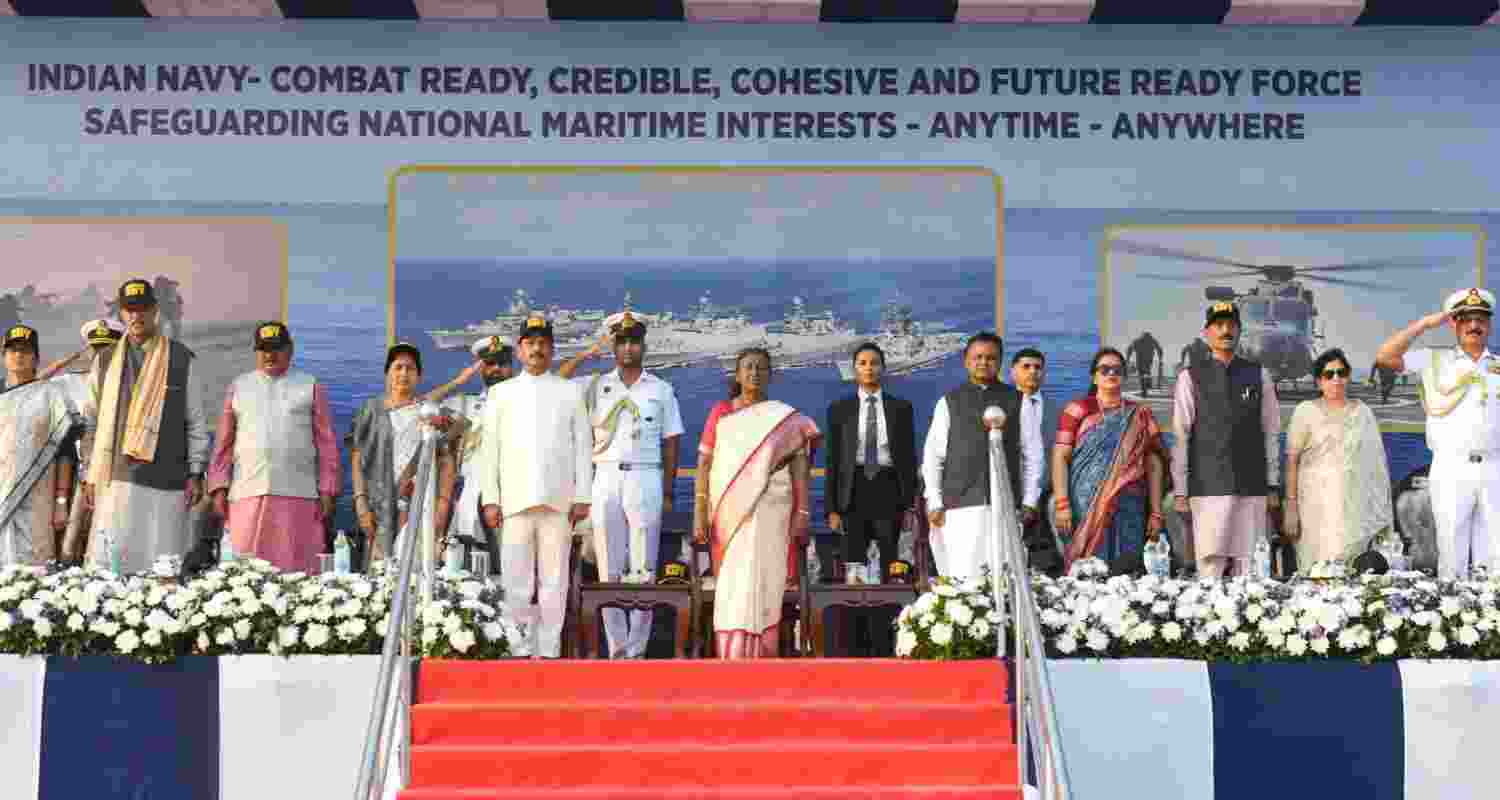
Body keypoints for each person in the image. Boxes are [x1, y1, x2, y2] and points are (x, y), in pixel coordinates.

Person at [560, 311, 685, 658]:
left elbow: (672, 441)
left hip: (646, 475)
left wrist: (669, 489)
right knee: (609, 568)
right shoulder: (595, 385)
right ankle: (617, 649)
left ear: (643, 345)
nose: (628, 348)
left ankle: (637, 650)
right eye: (621, 342)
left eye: (634, 341)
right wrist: (591, 351)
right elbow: (558, 379)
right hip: (605, 475)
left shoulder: (660, 389)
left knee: (644, 568)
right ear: (613, 346)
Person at [478, 316, 592, 658]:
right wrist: (491, 498)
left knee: (554, 581)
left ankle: (550, 648)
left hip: (558, 501)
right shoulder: (500, 393)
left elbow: (583, 446)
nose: (537, 349)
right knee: (516, 580)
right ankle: (519, 647)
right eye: (530, 343)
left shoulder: (570, 391)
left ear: (552, 350)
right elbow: (490, 450)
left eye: (543, 343)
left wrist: (583, 496)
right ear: (519, 350)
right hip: (514, 500)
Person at [694, 347, 820, 659]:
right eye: (748, 367)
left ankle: (764, 652)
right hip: (729, 515)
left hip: (773, 512)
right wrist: (699, 511)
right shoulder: (722, 413)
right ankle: (732, 653)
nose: (754, 373)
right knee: (734, 585)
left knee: (766, 580)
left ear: (770, 375)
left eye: (761, 368)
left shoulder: (785, 417)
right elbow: (704, 465)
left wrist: (803, 511)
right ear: (738, 375)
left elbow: (800, 467)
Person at [82, 278, 212, 573]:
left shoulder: (181, 359)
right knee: (113, 564)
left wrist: (196, 473)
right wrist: (89, 473)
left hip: (167, 477)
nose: (136, 316)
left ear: (155, 311)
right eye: (130, 309)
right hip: (115, 476)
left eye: (142, 308)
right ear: (121, 313)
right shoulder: (104, 361)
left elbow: (195, 421)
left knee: (162, 567)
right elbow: (90, 421)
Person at [1375, 287, 1500, 578]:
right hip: (1452, 466)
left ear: (1489, 325)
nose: (1474, 325)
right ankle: (1456, 604)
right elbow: (1385, 357)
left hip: (1494, 466)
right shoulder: (1433, 360)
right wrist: (1425, 325)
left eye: (1481, 319)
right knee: (1451, 552)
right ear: (1453, 324)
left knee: (1496, 553)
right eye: (1466, 319)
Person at [205, 322, 340, 573]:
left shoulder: (309, 385)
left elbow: (327, 444)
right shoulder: (239, 386)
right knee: (244, 575)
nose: (270, 355)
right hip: (246, 492)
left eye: (276, 349)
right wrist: (218, 487)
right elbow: (223, 444)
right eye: (264, 349)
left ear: (290, 350)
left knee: (297, 573)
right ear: (256, 352)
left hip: (298, 494)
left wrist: (327, 488)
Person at [1170, 302, 1282, 578]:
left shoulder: (1259, 375)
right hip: (1208, 487)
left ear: (1240, 331)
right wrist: (1181, 490)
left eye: (1231, 325)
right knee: (1211, 569)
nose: (1225, 330)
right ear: (1206, 333)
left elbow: (1271, 433)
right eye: (1218, 325)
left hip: (1252, 487)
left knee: (1252, 570)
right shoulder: (1190, 377)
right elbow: (1181, 436)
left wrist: (1272, 485)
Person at [825, 341, 916, 657]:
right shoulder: (840, 409)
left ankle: (887, 641)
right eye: (862, 363)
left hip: (889, 490)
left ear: (883, 368)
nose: (868, 368)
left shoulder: (901, 408)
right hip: (853, 491)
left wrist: (909, 504)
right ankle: (855, 644)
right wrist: (832, 508)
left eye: (874, 363)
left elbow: (908, 458)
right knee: (855, 566)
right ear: (854, 369)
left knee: (891, 566)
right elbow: (833, 460)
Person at [921, 332, 1033, 580]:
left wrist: (1029, 500)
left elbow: (1032, 454)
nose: (983, 362)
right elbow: (933, 456)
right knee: (963, 578)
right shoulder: (949, 402)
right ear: (966, 361)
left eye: (990, 358)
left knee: (1005, 577)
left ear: (1000, 362)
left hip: (1005, 505)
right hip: (959, 506)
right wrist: (934, 501)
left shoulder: (1018, 400)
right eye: (977, 357)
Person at [1052, 348, 1167, 571]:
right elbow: (1060, 456)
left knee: (1127, 569)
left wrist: (1156, 512)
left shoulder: (1140, 414)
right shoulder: (1077, 410)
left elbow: (1154, 463)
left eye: (1117, 369)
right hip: (1085, 505)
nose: (1111, 373)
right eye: (1104, 369)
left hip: (1130, 504)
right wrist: (1062, 504)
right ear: (1094, 377)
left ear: (1124, 376)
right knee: (1088, 571)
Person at [348, 342, 457, 567]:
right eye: (398, 367)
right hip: (378, 509)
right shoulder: (371, 410)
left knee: (417, 571)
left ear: (419, 376)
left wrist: (442, 507)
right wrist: (361, 503)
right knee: (379, 576)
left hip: (421, 507)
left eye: (410, 368)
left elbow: (446, 461)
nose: (404, 373)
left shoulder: (431, 412)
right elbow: (357, 457)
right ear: (387, 373)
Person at [1283, 348, 1392, 567]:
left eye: (1341, 373)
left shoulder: (1363, 413)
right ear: (1318, 382)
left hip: (1356, 510)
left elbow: (1377, 467)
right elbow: (1292, 461)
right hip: (1315, 508)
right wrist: (1291, 507)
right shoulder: (1305, 411)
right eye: (1328, 374)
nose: (1336, 379)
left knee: (1354, 569)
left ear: (1348, 376)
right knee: (1318, 572)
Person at [0, 325, 82, 564]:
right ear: (3, 356)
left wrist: (61, 502)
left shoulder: (52, 397)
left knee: (33, 566)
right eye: (12, 350)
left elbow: (65, 453)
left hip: (38, 495)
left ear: (36, 358)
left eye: (25, 350)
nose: (18, 355)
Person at [431, 336, 513, 573]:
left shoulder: (527, 402)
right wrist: (459, 381)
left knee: (512, 565)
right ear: (480, 369)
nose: (496, 369)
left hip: (512, 489)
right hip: (471, 492)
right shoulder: (465, 404)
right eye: (489, 363)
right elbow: (422, 406)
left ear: (512, 366)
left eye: (502, 363)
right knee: (470, 564)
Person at [53, 319, 123, 560]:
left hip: (114, 468)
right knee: (71, 539)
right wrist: (66, 362)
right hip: (73, 469)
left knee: (106, 532)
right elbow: (30, 387)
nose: (101, 354)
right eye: (96, 348)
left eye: (108, 349)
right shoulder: (68, 382)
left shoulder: (129, 383)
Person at [1128, 332, 1164, 397]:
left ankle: (1145, 387)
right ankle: (1146, 386)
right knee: (1145, 372)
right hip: (1146, 359)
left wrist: (1128, 358)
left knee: (1143, 373)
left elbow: (1129, 349)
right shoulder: (1151, 340)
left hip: (1143, 360)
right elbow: (1159, 349)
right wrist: (1160, 359)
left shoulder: (1138, 341)